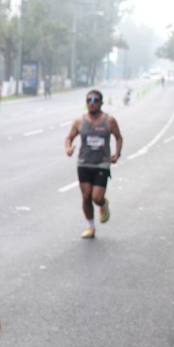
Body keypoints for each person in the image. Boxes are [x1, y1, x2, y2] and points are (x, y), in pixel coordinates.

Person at [64, 90, 123, 239]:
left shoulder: (109, 121)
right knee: (86, 196)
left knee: (96, 197)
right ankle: (91, 227)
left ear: (101, 103)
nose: (92, 103)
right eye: (89, 100)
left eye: (95, 100)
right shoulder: (79, 121)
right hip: (84, 163)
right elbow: (69, 137)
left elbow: (118, 137)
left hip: (102, 163)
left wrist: (117, 154)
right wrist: (68, 148)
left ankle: (102, 204)